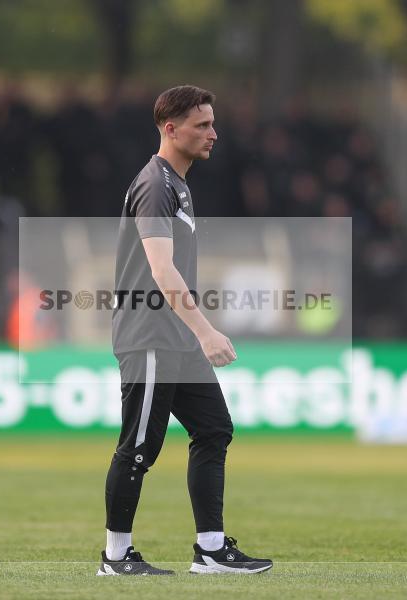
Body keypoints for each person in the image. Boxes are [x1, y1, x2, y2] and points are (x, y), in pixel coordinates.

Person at [99, 85, 273, 576]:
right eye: (202, 125)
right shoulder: (156, 184)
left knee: (215, 429)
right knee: (139, 448)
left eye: (213, 123)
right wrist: (206, 331)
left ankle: (211, 550)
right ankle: (115, 558)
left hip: (173, 337)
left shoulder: (178, 184)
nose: (213, 134)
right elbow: (161, 270)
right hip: (151, 335)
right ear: (170, 129)